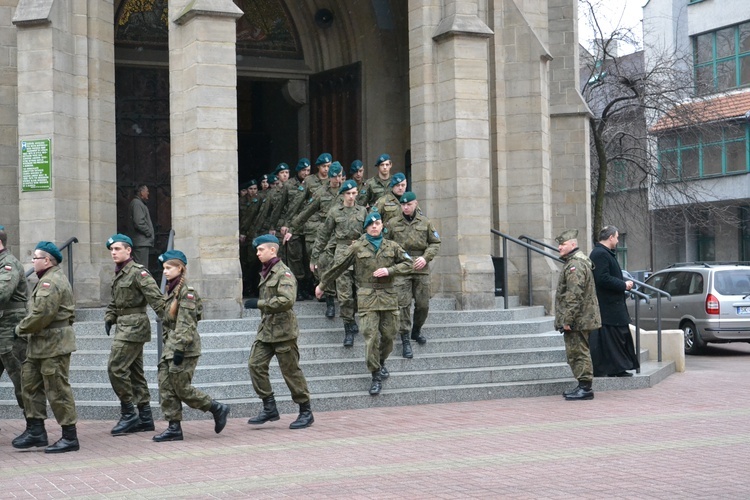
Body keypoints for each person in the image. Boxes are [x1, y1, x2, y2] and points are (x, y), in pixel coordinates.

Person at [316, 212, 413, 395]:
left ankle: (381, 361)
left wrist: (389, 270)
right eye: (370, 224)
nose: (374, 226)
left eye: (377, 223)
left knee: (389, 336)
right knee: (370, 337)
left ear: (382, 225)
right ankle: (375, 374)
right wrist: (323, 285)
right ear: (366, 228)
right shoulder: (358, 247)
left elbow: (410, 264)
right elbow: (339, 266)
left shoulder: (392, 246)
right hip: (367, 297)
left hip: (388, 296)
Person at [152, 250, 230, 441]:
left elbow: (186, 324)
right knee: (166, 387)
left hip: (184, 349)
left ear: (180, 268)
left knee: (181, 388)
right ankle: (174, 427)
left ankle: (217, 408)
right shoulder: (170, 292)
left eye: (169, 268)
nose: (165, 272)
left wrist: (179, 349)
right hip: (171, 347)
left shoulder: (187, 293)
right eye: (164, 268)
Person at [12, 242, 79, 453]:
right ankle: (36, 431)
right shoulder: (45, 281)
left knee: (57, 389)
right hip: (40, 343)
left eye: (35, 258)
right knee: (29, 385)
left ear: (47, 260)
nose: (32, 261)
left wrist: (19, 329)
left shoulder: (52, 282)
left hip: (54, 344)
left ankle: (69, 437)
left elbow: (42, 315)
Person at [245, 234, 314, 429]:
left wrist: (259, 304)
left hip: (284, 331)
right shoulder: (266, 271)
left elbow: (287, 300)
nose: (257, 253)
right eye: (257, 250)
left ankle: (305, 411)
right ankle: (269, 407)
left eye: (261, 250)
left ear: (272, 250)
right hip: (267, 330)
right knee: (255, 364)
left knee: (291, 372)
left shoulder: (284, 273)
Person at [104, 233, 166, 435]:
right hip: (123, 325)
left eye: (117, 249)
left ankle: (129, 413)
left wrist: (170, 324)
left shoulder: (139, 273)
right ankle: (145, 417)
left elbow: (156, 299)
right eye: (112, 250)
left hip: (134, 327)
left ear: (128, 250)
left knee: (116, 367)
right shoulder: (120, 272)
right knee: (135, 373)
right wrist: (109, 316)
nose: (114, 253)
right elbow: (115, 300)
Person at [310, 180, 367, 344]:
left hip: (359, 253)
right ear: (343, 194)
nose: (351, 196)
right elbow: (323, 235)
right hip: (341, 254)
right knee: (344, 295)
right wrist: (315, 257)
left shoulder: (362, 211)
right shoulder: (335, 212)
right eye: (348, 193)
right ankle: (348, 327)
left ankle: (353, 316)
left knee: (359, 293)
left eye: (354, 193)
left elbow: (369, 232)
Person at [385, 192, 441, 358]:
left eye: (408, 204)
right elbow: (385, 244)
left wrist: (425, 258)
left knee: (423, 304)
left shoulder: (425, 222)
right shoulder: (393, 223)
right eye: (403, 205)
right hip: (402, 268)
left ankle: (416, 330)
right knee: (403, 305)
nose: (406, 207)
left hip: (420, 268)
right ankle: (405, 338)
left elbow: (435, 243)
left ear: (415, 203)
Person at [554, 229, 601, 401]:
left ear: (573, 245)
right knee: (577, 351)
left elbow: (574, 295)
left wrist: (567, 320)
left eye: (563, 244)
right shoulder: (575, 262)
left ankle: (585, 388)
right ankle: (582, 385)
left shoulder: (575, 265)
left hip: (578, 320)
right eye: (559, 244)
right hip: (581, 318)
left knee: (579, 352)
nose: (559, 247)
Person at [589, 225, 640, 377]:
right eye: (617, 237)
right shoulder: (600, 254)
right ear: (610, 237)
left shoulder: (603, 253)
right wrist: (624, 285)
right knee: (615, 337)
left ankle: (617, 368)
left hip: (612, 306)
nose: (617, 241)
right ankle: (616, 368)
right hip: (609, 306)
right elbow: (602, 278)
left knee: (617, 336)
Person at [0, 226, 28, 416]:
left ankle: (34, 425)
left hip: (10, 331)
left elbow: (2, 293)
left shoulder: (8, 263)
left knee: (21, 378)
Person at [128, 184, 155, 267]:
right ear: (141, 192)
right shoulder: (137, 203)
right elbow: (139, 222)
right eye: (147, 191)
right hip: (141, 243)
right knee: (141, 268)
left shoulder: (139, 203)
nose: (148, 193)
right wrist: (148, 232)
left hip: (142, 242)